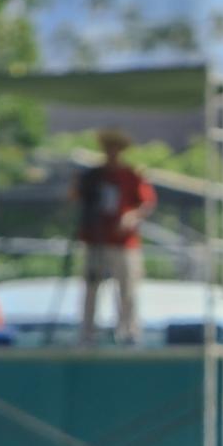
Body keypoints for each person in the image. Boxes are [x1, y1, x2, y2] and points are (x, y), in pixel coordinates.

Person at [72, 128, 156, 345]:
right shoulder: (94, 176)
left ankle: (128, 331)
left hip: (123, 242)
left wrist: (131, 217)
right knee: (91, 286)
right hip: (95, 239)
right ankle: (87, 332)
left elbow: (146, 202)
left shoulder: (131, 175)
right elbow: (75, 197)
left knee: (127, 288)